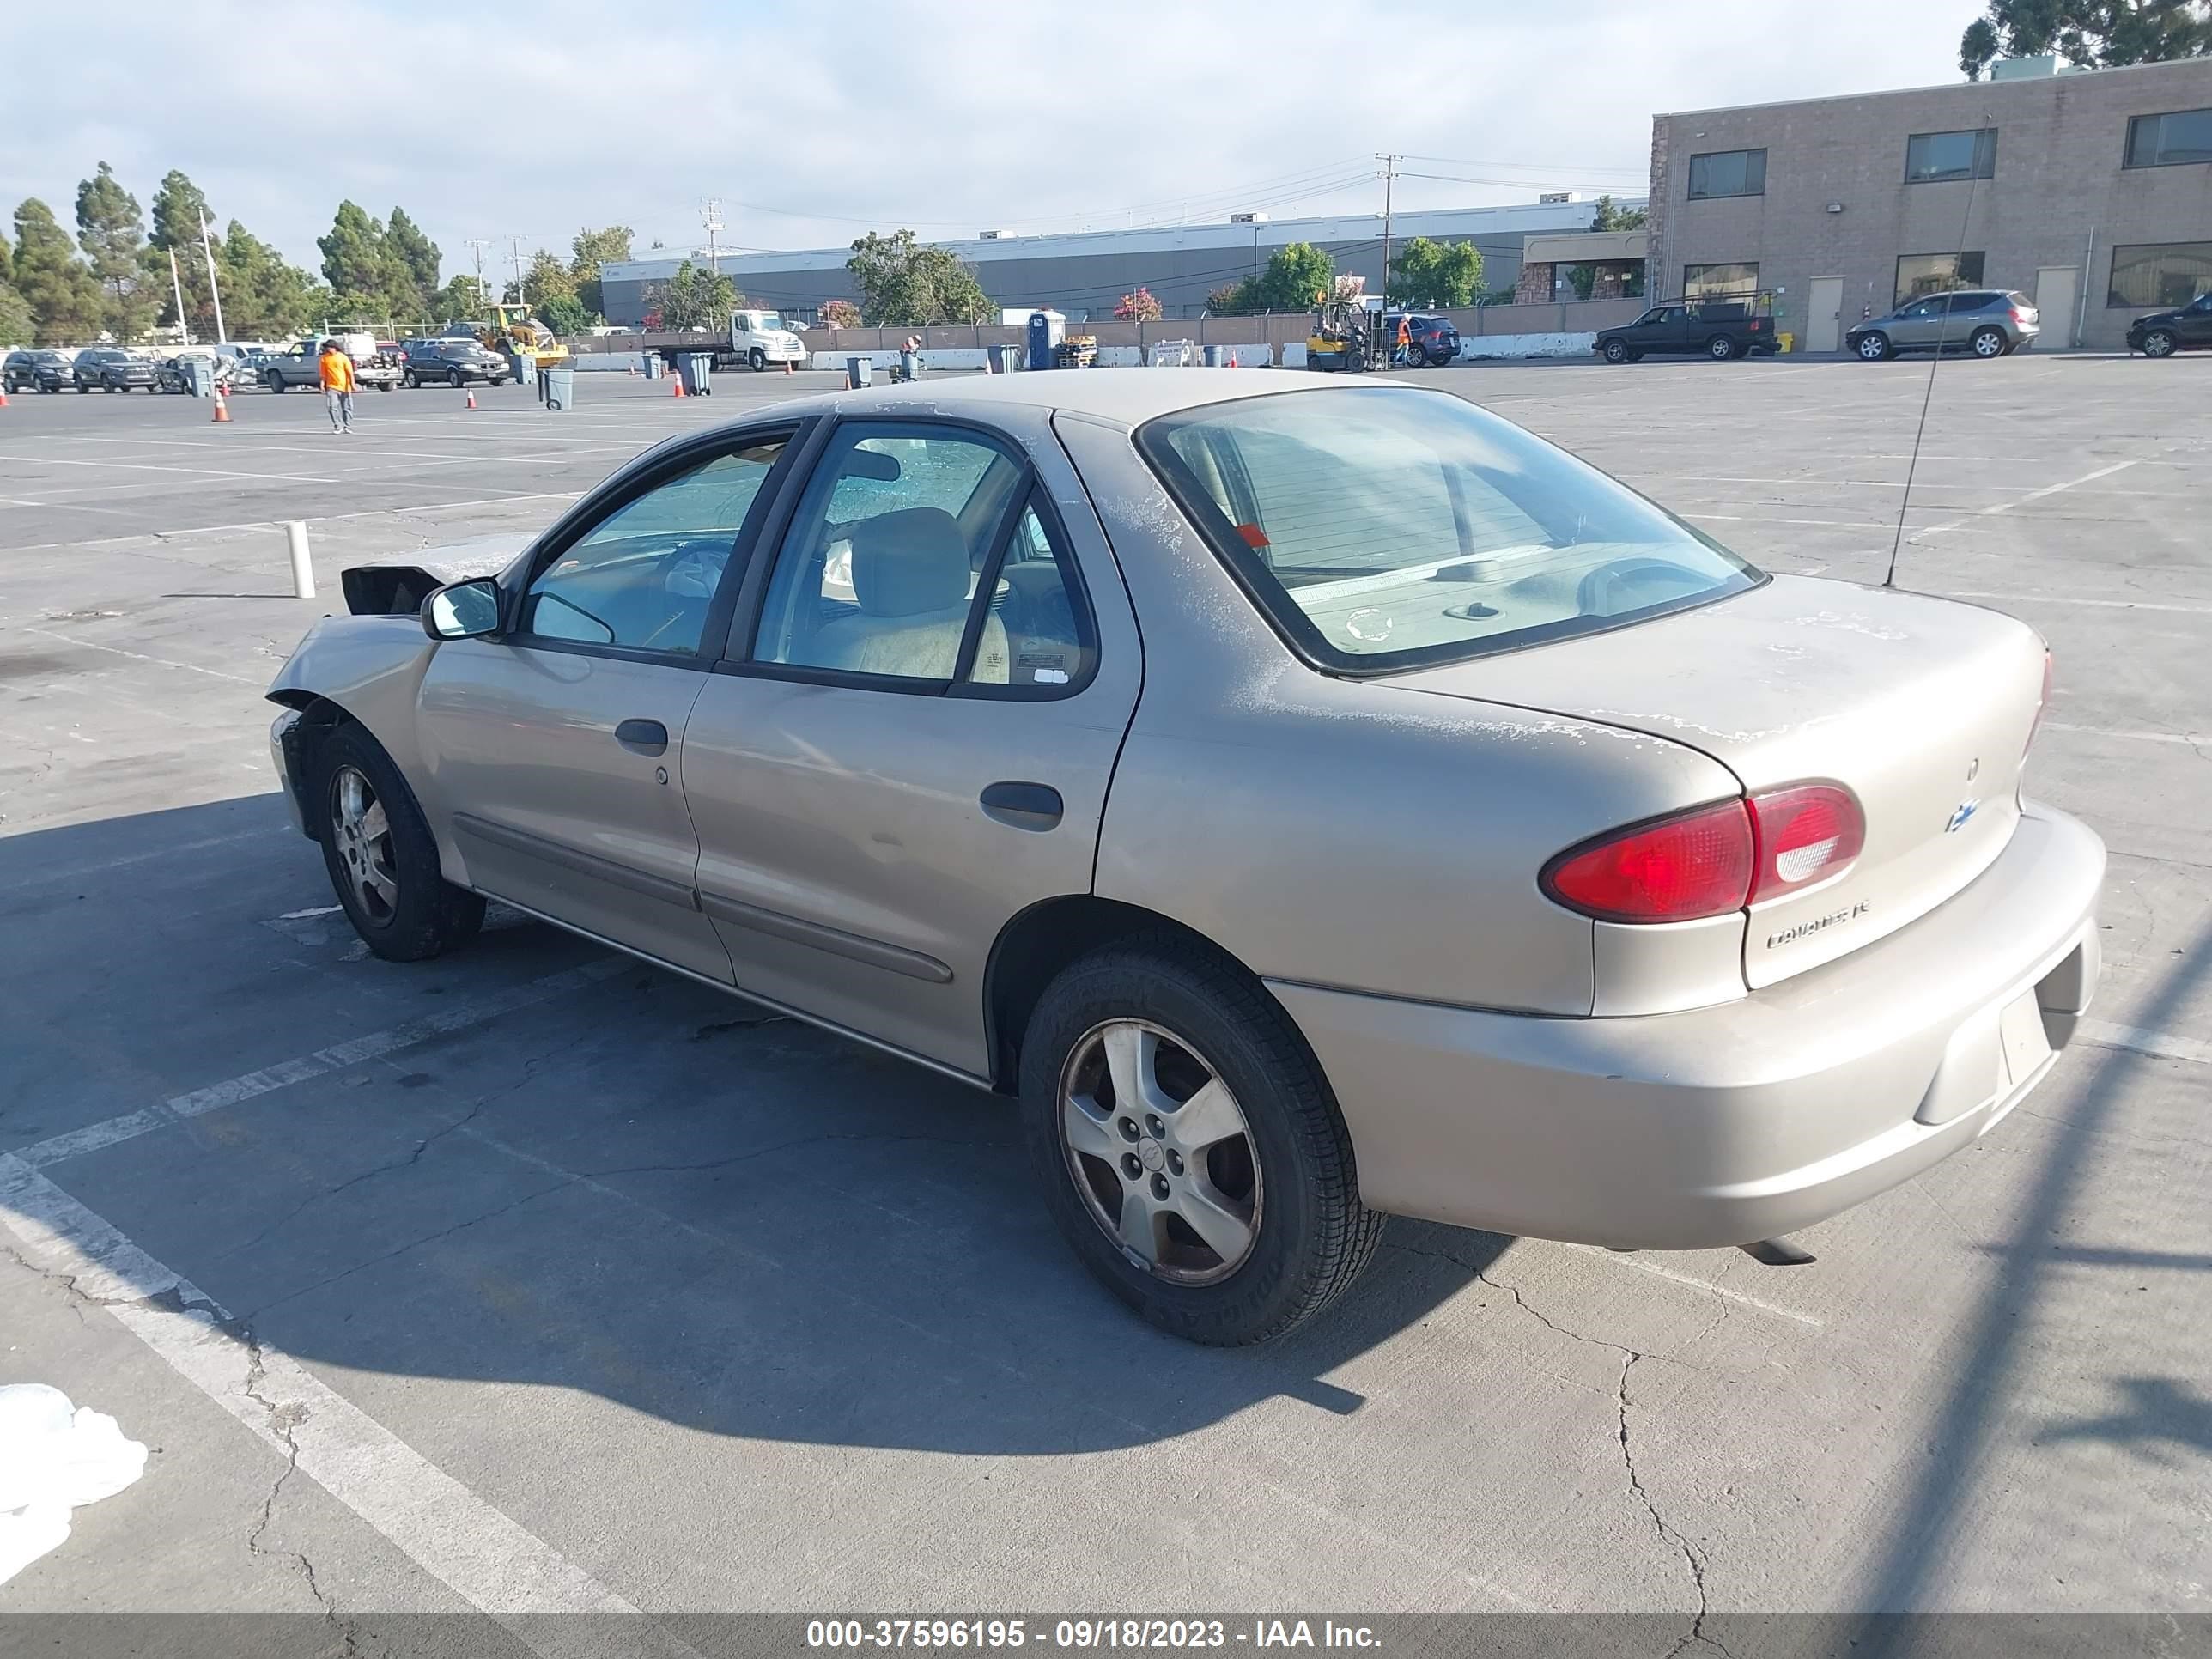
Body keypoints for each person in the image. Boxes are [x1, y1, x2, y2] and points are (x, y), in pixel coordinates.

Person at [318, 339, 356, 434]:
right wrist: (322, 385)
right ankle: (338, 426)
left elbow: (350, 373)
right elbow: (323, 374)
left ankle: (348, 426)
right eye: (326, 347)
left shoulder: (343, 357)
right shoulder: (324, 358)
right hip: (332, 386)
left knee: (347, 408)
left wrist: (352, 384)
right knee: (332, 407)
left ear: (334, 347)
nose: (327, 349)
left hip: (345, 387)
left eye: (329, 347)